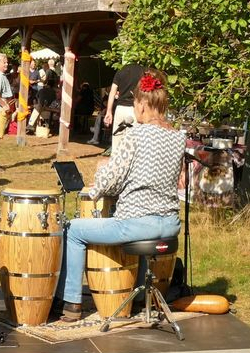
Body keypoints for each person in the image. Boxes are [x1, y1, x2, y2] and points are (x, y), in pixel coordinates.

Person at [55, 69, 184, 322]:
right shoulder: (178, 137)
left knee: (73, 230)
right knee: (139, 230)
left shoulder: (134, 134)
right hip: (170, 224)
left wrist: (97, 185)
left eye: (135, 104)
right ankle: (137, 298)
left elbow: (112, 179)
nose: (135, 110)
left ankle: (69, 302)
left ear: (144, 105)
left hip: (136, 224)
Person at [104, 62, 146, 150]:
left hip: (120, 109)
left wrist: (109, 112)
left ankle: (115, 161)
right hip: (135, 110)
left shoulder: (120, 71)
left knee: (117, 142)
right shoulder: (143, 72)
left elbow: (112, 92)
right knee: (133, 144)